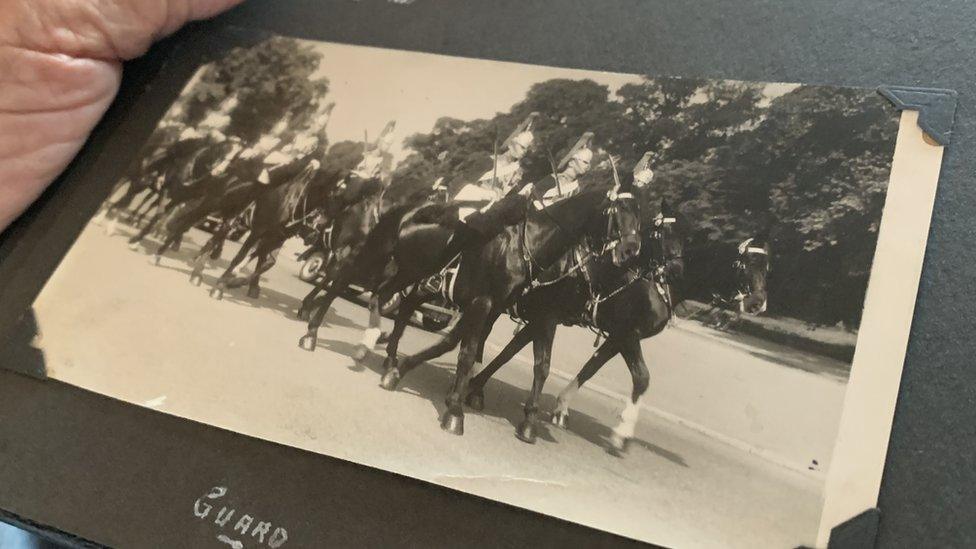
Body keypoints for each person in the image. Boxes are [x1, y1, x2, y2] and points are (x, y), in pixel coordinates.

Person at [0, 0, 244, 233]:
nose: (227, 108)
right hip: (188, 139)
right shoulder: (214, 114)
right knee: (170, 152)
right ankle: (154, 173)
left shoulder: (227, 130)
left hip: (208, 146)